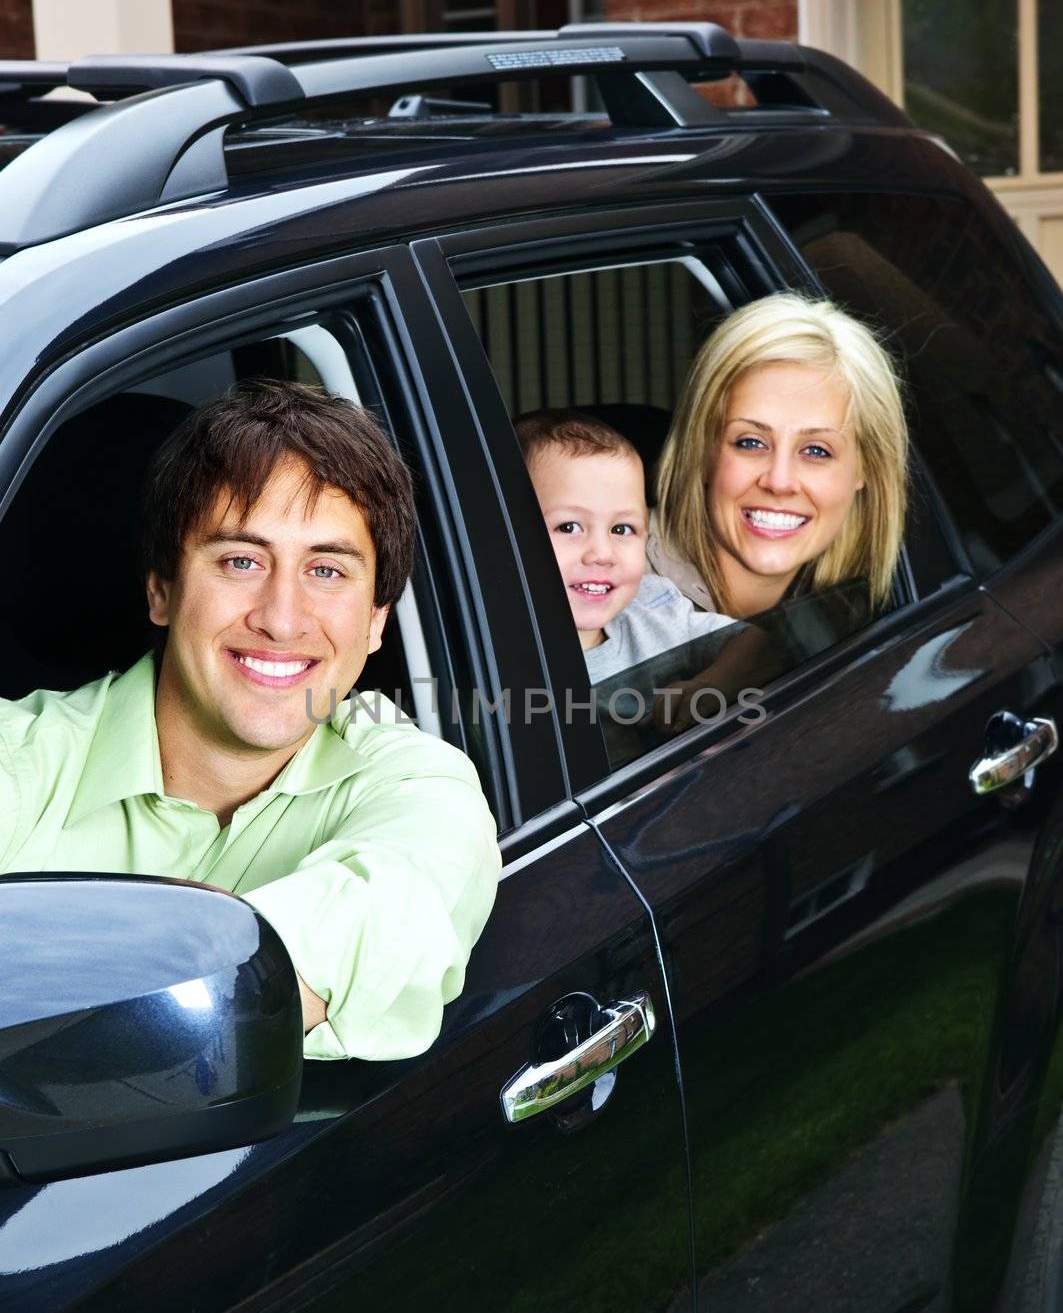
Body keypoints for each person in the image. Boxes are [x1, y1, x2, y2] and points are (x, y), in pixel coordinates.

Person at [0, 380, 500, 1062]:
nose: (282, 618)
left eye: (326, 571)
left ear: (376, 622)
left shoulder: (421, 790)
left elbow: (243, 995)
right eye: (241, 561)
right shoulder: (19, 754)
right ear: (162, 589)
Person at [651, 293, 909, 619]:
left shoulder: (855, 614)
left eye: (816, 450)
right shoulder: (601, 595)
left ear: (866, 468)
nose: (779, 481)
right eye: (751, 443)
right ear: (702, 452)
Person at [516, 410, 734, 684]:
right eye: (569, 527)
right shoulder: (481, 653)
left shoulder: (655, 611)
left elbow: (755, 645)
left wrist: (706, 686)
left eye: (622, 529)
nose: (603, 554)